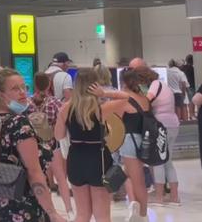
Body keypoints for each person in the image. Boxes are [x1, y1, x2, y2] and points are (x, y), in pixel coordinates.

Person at [0, 67, 65, 222]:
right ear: (1, 94)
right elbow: (34, 173)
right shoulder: (20, 124)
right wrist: (52, 212)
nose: (22, 92)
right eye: (15, 89)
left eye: (24, 87)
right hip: (22, 206)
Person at [89, 68, 154, 222]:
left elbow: (112, 120)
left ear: (123, 81)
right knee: (137, 178)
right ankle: (140, 212)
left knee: (136, 179)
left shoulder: (125, 100)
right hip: (144, 141)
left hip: (129, 141)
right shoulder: (143, 98)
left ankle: (142, 215)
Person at [55, 68, 113, 222]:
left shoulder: (66, 108)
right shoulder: (102, 108)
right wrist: (104, 93)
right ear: (96, 84)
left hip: (76, 159)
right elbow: (126, 98)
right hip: (98, 158)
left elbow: (58, 136)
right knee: (103, 216)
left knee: (82, 214)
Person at [135, 67, 181, 206]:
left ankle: (159, 198)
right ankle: (174, 197)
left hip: (162, 126)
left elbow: (146, 101)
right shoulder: (164, 85)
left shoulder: (155, 85)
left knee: (158, 161)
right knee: (168, 161)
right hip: (173, 124)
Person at [32, 72, 74, 220]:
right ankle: (69, 209)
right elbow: (64, 120)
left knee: (41, 179)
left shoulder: (30, 103)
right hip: (52, 144)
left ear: (35, 84)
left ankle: (46, 209)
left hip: (34, 146)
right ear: (49, 84)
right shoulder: (55, 102)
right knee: (61, 178)